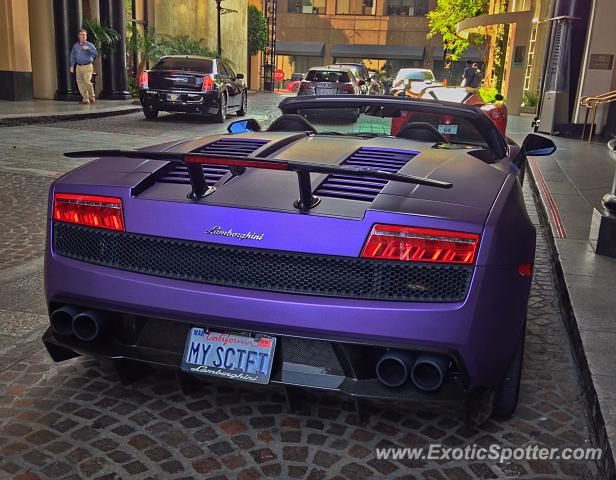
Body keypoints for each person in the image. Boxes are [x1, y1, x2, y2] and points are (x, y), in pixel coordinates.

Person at [69, 29, 98, 104]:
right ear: (79, 36)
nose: (83, 36)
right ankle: (85, 99)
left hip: (87, 66)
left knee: (87, 81)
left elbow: (96, 54)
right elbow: (72, 55)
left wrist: (89, 49)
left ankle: (92, 96)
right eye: (82, 35)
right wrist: (72, 65)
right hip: (78, 66)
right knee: (80, 82)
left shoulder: (89, 45)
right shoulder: (76, 45)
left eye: (85, 35)